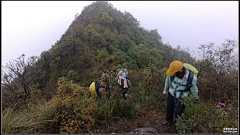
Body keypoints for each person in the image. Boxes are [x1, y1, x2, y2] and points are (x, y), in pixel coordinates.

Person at [162, 61, 198, 125]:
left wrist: (195, 98)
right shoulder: (172, 73)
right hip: (172, 92)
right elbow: (168, 80)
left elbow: (194, 89)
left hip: (183, 97)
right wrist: (165, 89)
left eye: (175, 74)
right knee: (169, 109)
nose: (174, 75)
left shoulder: (191, 78)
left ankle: (178, 124)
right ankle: (169, 120)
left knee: (178, 112)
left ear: (181, 71)